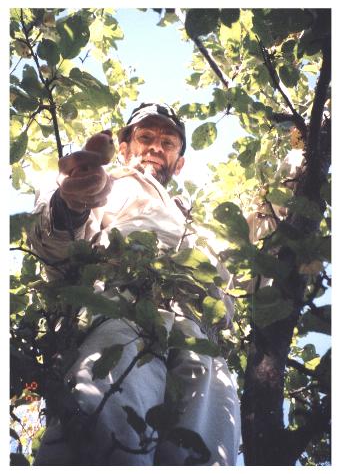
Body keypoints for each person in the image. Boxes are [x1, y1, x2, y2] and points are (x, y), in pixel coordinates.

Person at [29, 103, 241, 466]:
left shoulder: (195, 221)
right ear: (125, 148)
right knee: (107, 420)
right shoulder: (104, 180)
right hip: (121, 305)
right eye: (145, 137)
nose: (156, 147)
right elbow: (55, 246)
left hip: (198, 332)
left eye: (168, 142)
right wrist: (73, 202)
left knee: (207, 448)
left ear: (179, 162)